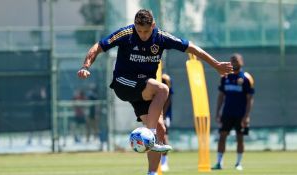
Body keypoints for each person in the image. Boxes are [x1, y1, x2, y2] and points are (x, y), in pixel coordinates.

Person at [77, 9, 232, 175]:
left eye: (146, 31)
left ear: (153, 26)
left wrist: (215, 64)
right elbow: (98, 47)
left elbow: (191, 48)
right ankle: (149, 135)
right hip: (123, 83)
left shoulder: (161, 37)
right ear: (134, 26)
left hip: (144, 89)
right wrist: (86, 66)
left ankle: (152, 172)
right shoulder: (126, 34)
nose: (143, 35)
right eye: (139, 31)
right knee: (162, 89)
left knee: (161, 130)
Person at [212, 53, 255, 171]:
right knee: (222, 136)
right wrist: (217, 112)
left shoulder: (246, 78)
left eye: (235, 60)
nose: (233, 63)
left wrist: (246, 116)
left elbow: (250, 98)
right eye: (231, 61)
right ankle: (219, 163)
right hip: (227, 113)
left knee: (239, 138)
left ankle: (238, 163)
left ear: (242, 62)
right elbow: (221, 96)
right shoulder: (225, 77)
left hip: (240, 115)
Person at [160, 73, 173, 172]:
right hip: (153, 113)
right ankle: (159, 161)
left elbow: (168, 99)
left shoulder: (164, 78)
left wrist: (163, 114)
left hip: (164, 114)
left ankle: (165, 162)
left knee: (164, 136)